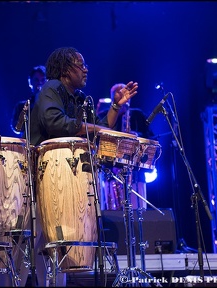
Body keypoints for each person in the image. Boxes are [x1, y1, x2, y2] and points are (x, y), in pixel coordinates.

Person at [28, 47, 139, 286]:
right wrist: (95, 129)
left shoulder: (78, 98)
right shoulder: (51, 89)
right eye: (81, 65)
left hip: (61, 176)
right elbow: (55, 122)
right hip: (40, 176)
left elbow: (99, 128)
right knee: (29, 244)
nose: (86, 69)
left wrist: (116, 106)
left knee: (56, 244)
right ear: (67, 70)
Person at [97, 83, 154, 211]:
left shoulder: (138, 115)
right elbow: (99, 140)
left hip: (136, 174)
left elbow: (151, 137)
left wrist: (137, 136)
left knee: (139, 212)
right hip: (112, 173)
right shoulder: (103, 116)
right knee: (114, 212)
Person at [11, 65, 47, 136]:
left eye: (43, 80)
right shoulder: (21, 106)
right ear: (30, 83)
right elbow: (16, 127)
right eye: (36, 80)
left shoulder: (54, 104)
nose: (40, 83)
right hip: (29, 143)